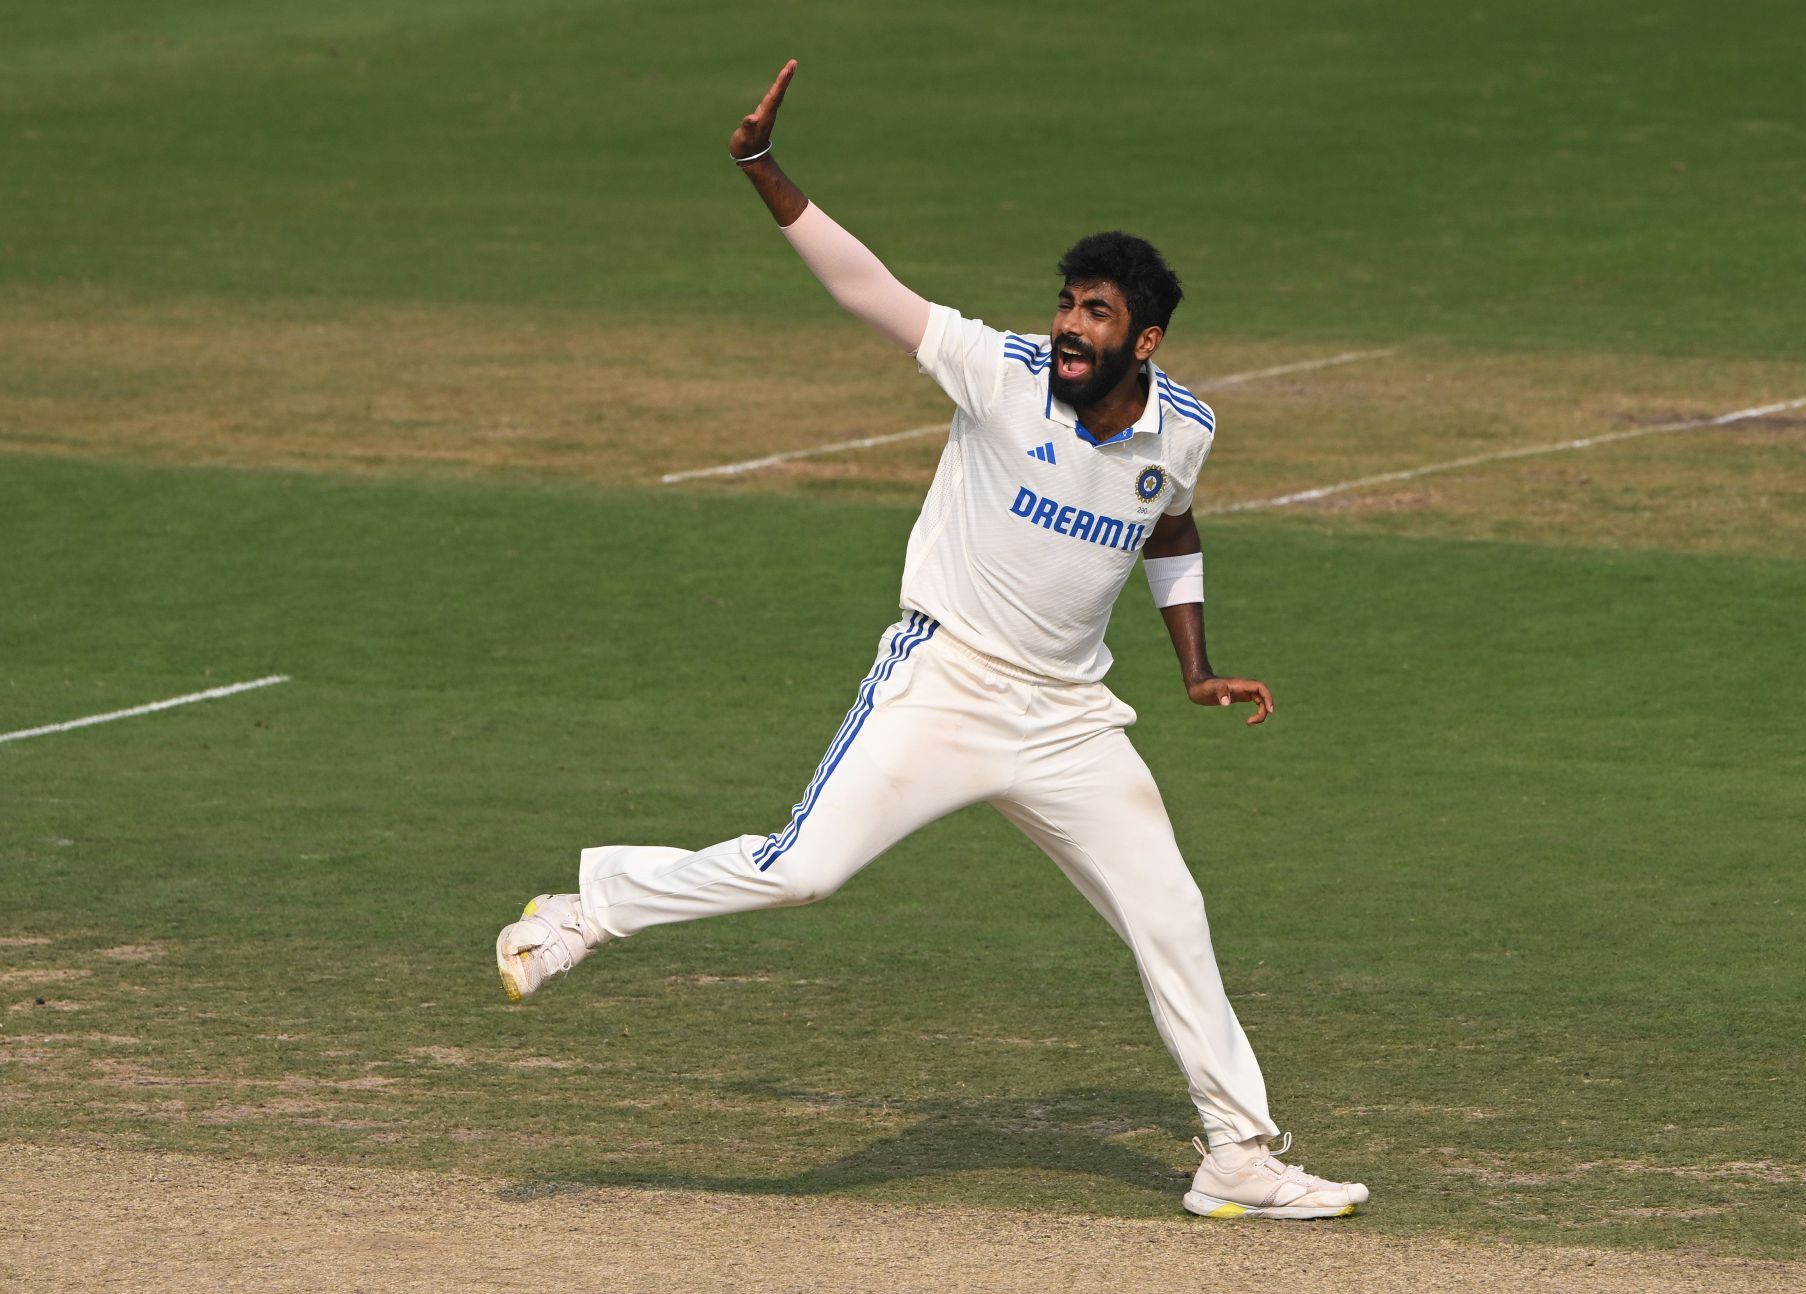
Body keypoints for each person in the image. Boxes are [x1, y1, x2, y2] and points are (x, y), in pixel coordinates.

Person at [495, 60, 1369, 1222]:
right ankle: (588, 906)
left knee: (1174, 919)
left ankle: (1237, 1156)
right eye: (1065, 301)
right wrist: (763, 168)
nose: (1067, 325)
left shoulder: (1185, 428)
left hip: (1068, 718)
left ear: (1144, 340)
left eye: (1094, 312)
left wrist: (1193, 661)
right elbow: (872, 288)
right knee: (800, 872)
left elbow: (1172, 516)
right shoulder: (998, 374)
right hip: (944, 682)